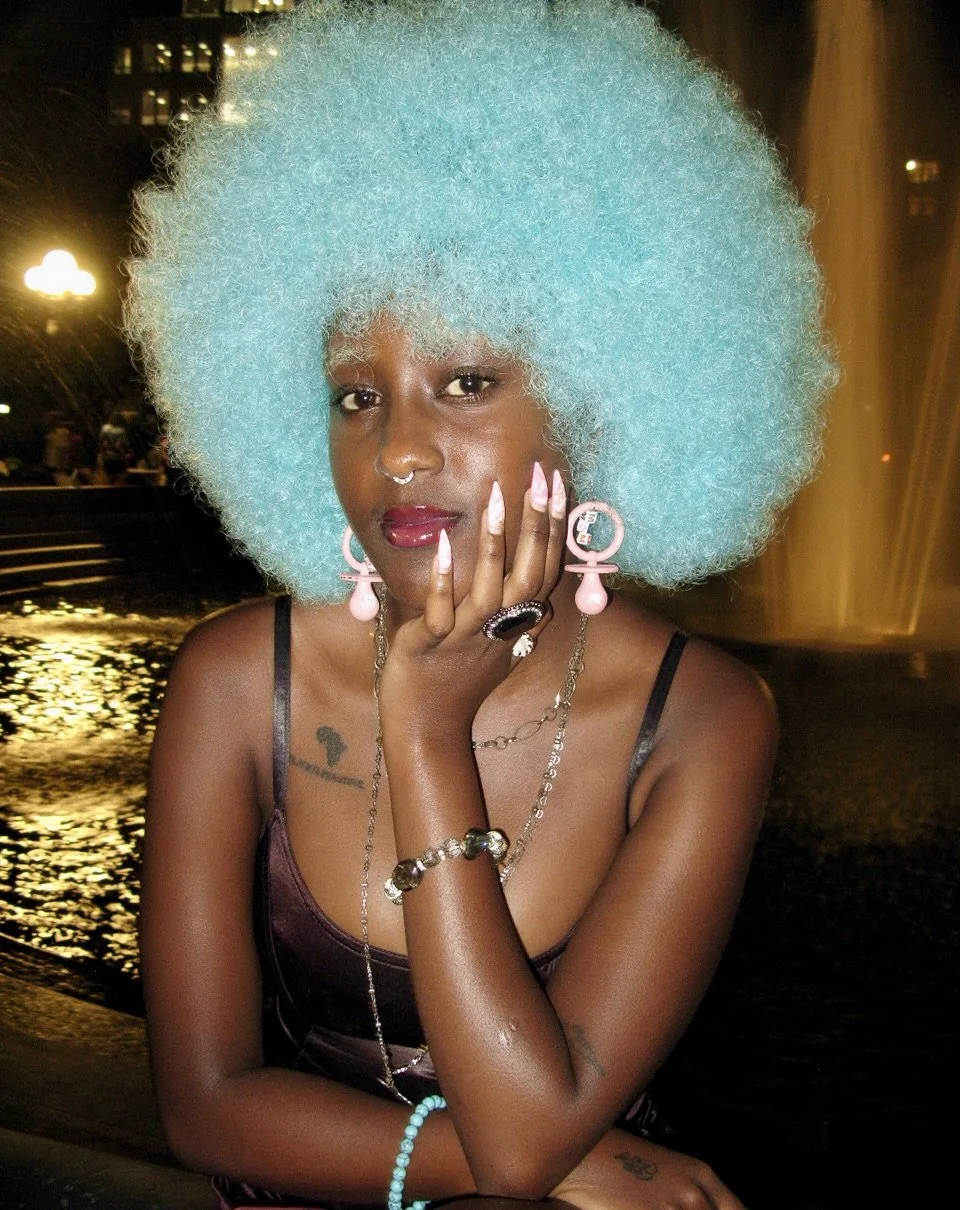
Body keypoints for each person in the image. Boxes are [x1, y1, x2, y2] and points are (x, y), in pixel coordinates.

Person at [126, 3, 834, 1208]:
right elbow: (204, 1105)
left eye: (465, 382)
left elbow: (526, 1140)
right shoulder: (238, 681)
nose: (400, 450)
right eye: (357, 395)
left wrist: (424, 729)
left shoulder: (705, 716)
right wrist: (576, 1160)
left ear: (599, 403)